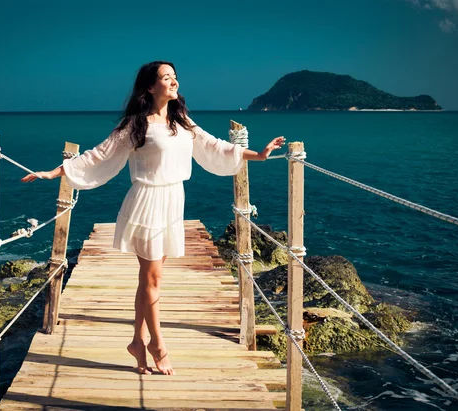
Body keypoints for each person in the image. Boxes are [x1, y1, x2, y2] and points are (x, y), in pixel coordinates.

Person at [22, 61, 286, 376]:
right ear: (150, 86)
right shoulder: (136, 124)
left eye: (175, 77)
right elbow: (100, 154)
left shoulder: (182, 121)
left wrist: (256, 155)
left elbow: (213, 145)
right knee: (153, 279)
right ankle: (157, 345)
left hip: (174, 201)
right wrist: (54, 172)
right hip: (146, 201)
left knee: (148, 279)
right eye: (166, 78)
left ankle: (137, 340)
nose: (174, 82)